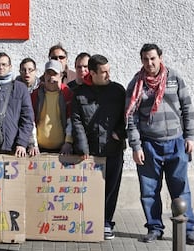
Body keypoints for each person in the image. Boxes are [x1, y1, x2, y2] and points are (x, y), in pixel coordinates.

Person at [125, 43, 194, 245]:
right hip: (149, 146)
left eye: (153, 58)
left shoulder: (174, 78)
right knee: (149, 191)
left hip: (176, 144)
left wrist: (190, 137)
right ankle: (154, 228)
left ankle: (188, 230)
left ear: (160, 57)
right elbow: (130, 118)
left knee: (181, 188)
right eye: (145, 59)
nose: (149, 63)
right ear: (141, 60)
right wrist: (136, 146)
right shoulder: (136, 85)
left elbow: (187, 108)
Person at [71, 54, 126, 240]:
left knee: (111, 188)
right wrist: (82, 147)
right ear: (92, 73)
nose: (108, 75)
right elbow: (77, 122)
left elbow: (128, 117)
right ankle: (88, 222)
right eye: (103, 72)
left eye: (109, 71)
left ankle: (106, 223)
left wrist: (121, 132)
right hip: (90, 152)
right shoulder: (80, 93)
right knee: (90, 189)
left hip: (113, 149)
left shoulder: (118, 91)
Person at [29, 60, 73, 156]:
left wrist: (68, 142)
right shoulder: (35, 94)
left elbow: (71, 120)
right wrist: (33, 144)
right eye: (48, 74)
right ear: (44, 75)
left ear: (61, 75)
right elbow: (30, 120)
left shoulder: (67, 94)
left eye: (55, 74)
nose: (51, 77)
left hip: (62, 149)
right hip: (38, 149)